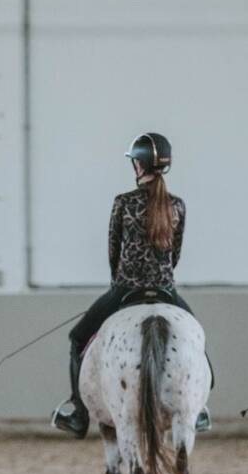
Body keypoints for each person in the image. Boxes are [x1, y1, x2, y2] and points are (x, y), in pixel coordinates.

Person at [52, 133, 211, 438]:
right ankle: (199, 409)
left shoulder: (123, 202)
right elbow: (175, 253)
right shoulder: (177, 205)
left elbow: (113, 250)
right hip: (166, 290)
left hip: (125, 289)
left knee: (77, 339)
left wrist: (118, 285)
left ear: (138, 165)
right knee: (198, 344)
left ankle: (79, 413)